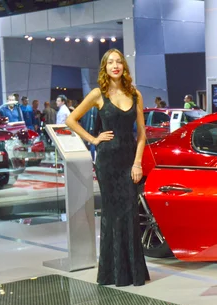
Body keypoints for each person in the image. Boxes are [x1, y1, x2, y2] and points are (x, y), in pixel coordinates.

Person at [66, 48, 149, 287]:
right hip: (107, 162)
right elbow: (71, 120)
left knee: (131, 214)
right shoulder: (97, 94)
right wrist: (93, 140)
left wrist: (137, 163)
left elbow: (142, 133)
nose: (115, 65)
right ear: (105, 67)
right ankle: (113, 273)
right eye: (111, 62)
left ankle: (133, 272)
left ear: (124, 66)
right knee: (112, 215)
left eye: (119, 62)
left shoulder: (135, 94)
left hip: (128, 161)